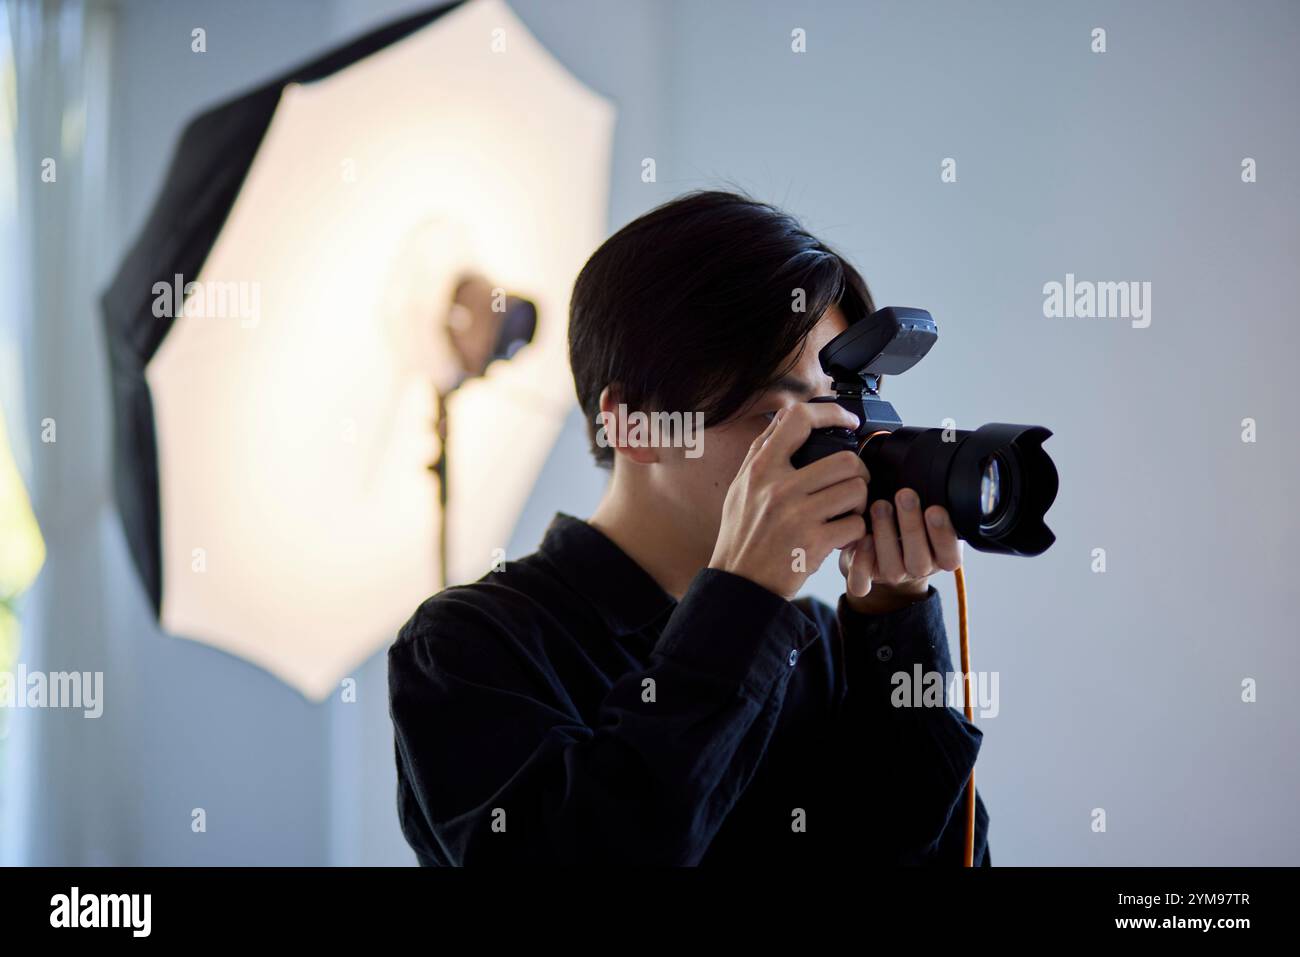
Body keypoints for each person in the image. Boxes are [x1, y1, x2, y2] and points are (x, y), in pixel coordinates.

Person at [387, 189, 990, 866]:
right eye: (777, 417)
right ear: (635, 424)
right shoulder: (468, 646)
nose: (832, 452)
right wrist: (742, 597)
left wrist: (897, 630)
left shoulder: (826, 648)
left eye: (837, 414)